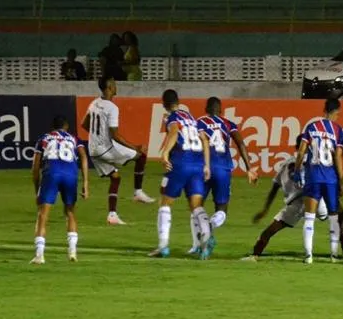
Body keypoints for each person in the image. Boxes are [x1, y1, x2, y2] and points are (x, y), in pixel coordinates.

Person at [245, 137, 343, 261]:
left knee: (269, 231)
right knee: (339, 211)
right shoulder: (316, 161)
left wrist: (265, 209)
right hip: (316, 201)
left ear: (296, 147)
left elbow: (275, 187)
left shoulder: (285, 164)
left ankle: (255, 254)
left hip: (294, 205)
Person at [150, 89, 213, 259]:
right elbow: (205, 140)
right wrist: (207, 165)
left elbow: (174, 132)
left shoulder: (172, 118)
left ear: (164, 104)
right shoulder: (192, 118)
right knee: (196, 205)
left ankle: (163, 246)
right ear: (178, 101)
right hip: (198, 164)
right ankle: (206, 239)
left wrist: (164, 153)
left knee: (165, 202)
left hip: (181, 162)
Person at [82, 76, 153, 225]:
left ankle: (112, 215)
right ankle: (138, 192)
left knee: (115, 177)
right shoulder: (112, 108)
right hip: (105, 148)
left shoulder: (94, 103)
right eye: (114, 84)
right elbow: (115, 136)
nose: (116, 86)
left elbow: (84, 123)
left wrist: (96, 135)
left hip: (93, 149)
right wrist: (135, 147)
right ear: (109, 87)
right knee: (141, 156)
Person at [191, 97, 257, 255]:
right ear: (221, 110)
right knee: (221, 210)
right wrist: (249, 168)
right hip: (223, 169)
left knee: (196, 207)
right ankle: (210, 227)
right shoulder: (228, 124)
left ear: (206, 108)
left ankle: (196, 245)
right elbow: (240, 143)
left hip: (203, 168)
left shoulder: (198, 122)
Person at [291, 99, 343, 263]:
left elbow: (301, 153)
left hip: (313, 177)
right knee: (333, 216)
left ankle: (308, 255)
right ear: (336, 111)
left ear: (324, 110)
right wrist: (341, 180)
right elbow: (337, 156)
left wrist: (296, 170)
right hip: (330, 179)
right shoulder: (338, 130)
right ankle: (334, 255)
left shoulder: (311, 127)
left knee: (309, 217)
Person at [30, 116, 89, 264]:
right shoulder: (74, 139)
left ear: (53, 127)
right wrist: (86, 182)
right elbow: (83, 157)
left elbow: (35, 167)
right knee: (70, 212)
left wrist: (37, 189)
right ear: (66, 126)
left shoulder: (44, 138)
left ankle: (39, 255)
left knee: (43, 214)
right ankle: (72, 252)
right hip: (70, 175)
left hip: (52, 173)